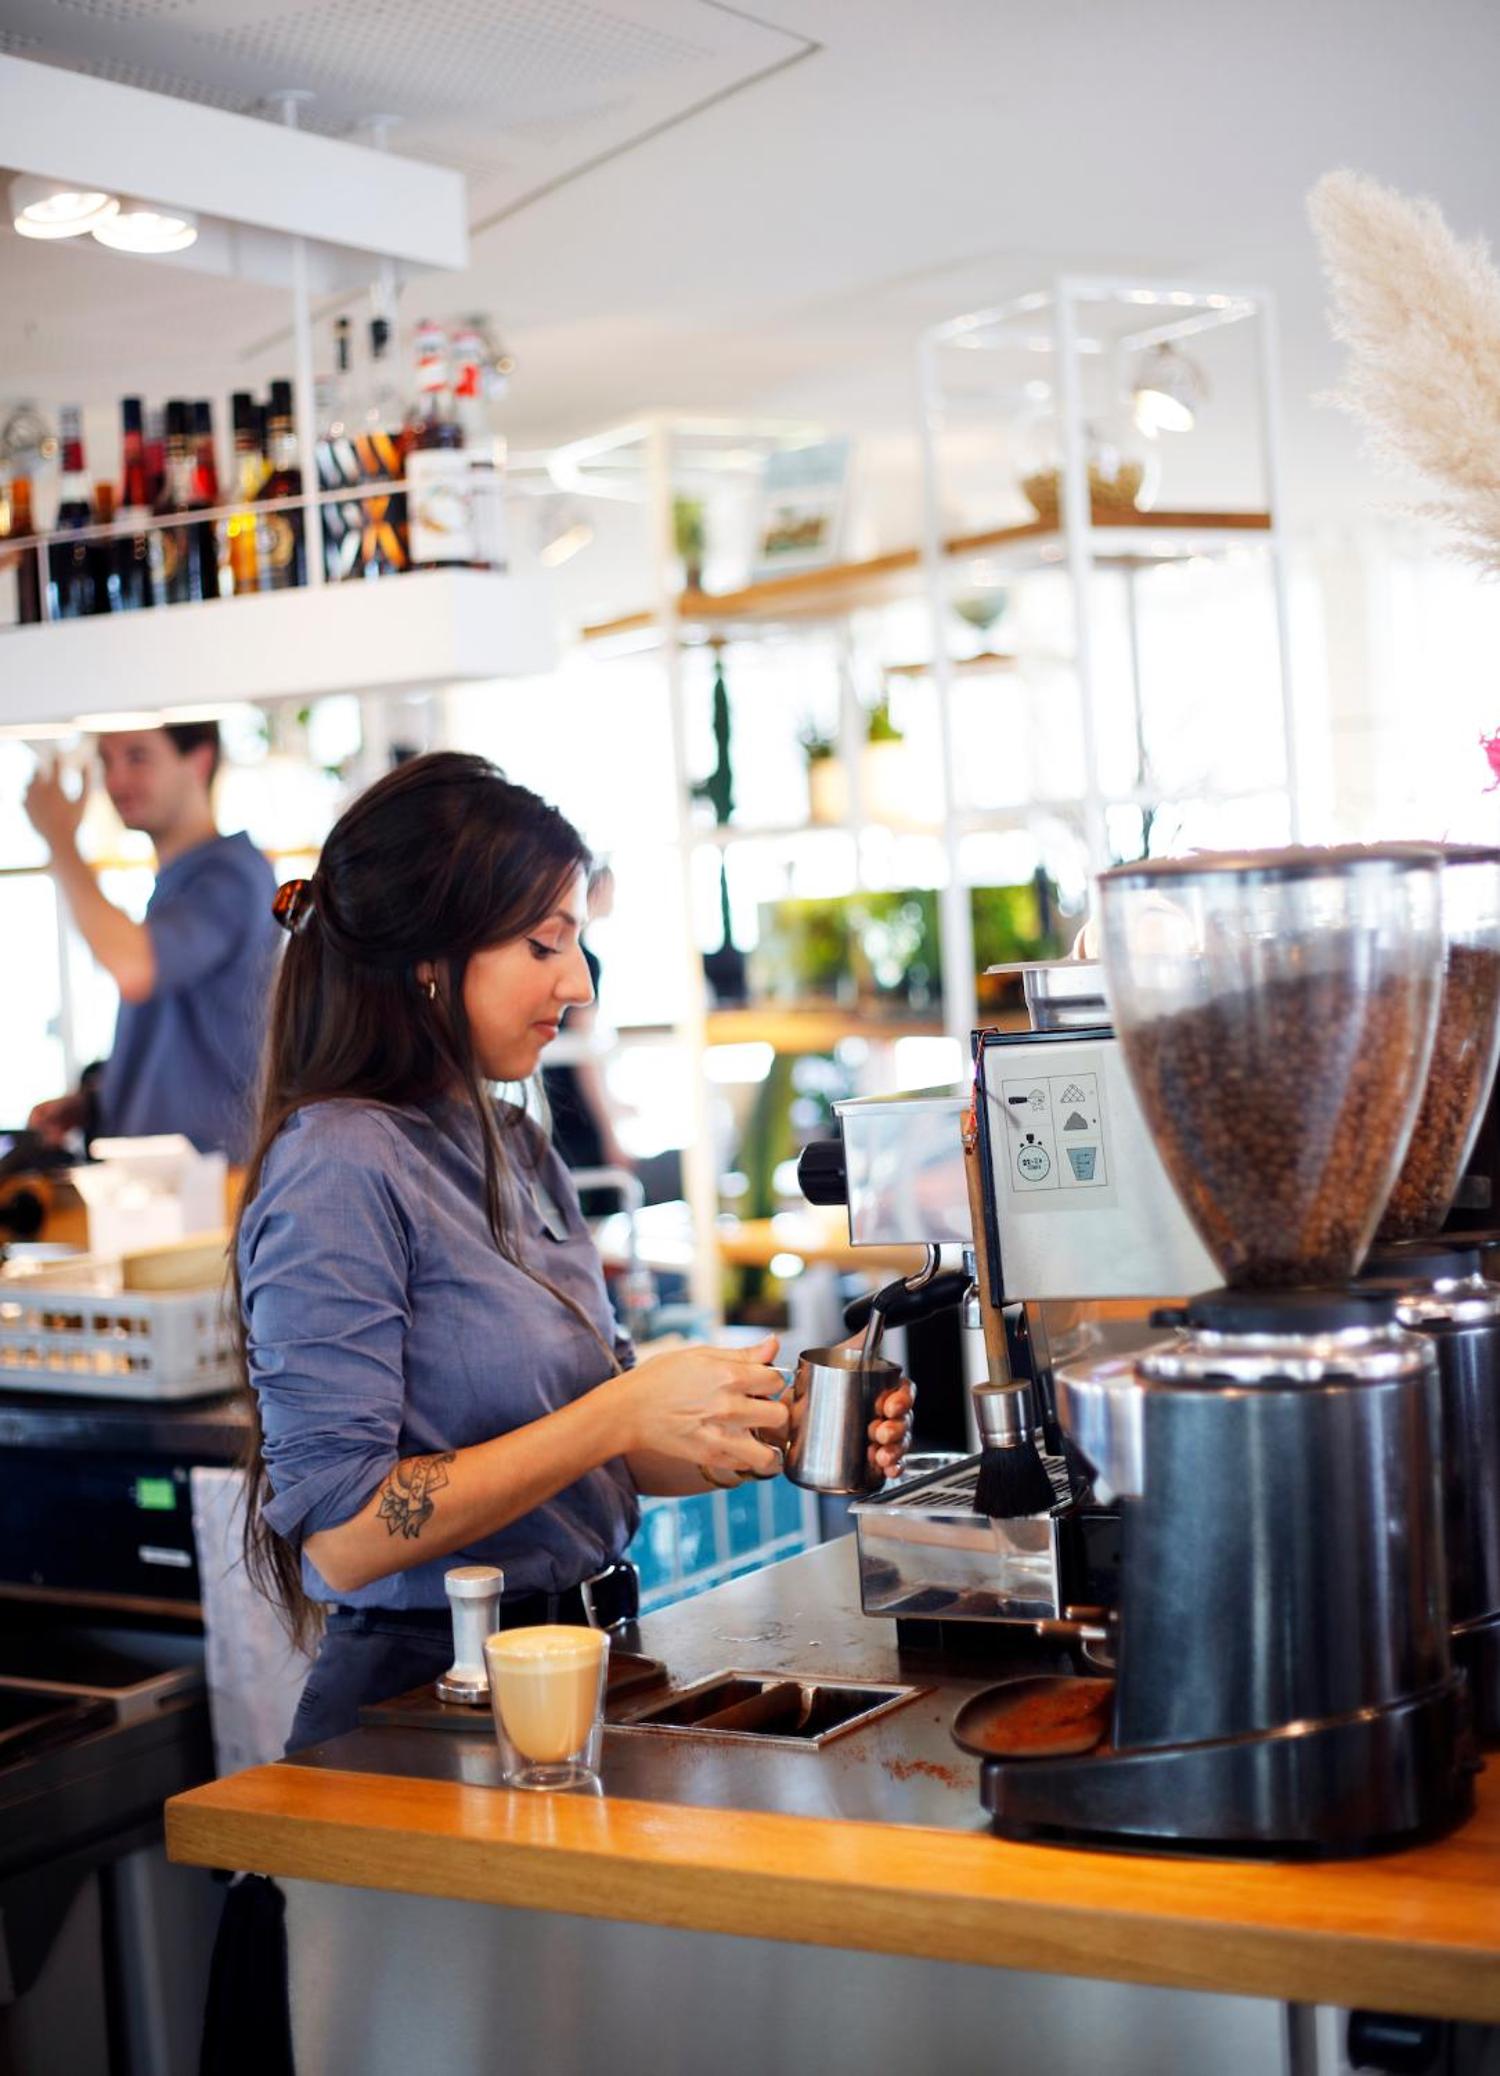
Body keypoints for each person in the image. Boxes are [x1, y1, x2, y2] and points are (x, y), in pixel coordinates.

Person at [234, 751, 912, 1750]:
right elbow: (345, 1534)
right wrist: (618, 1411)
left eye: (579, 942)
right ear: (427, 955)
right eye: (545, 943)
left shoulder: (514, 1143)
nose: (580, 981)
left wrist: (777, 1428)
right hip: (428, 1699)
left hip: (587, 1659)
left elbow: (605, 1457)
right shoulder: (338, 1163)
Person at [23, 722, 279, 1164]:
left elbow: (135, 969)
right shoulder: (179, 883)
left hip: (209, 1177)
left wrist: (60, 840)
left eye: (137, 757)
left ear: (199, 760)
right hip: (163, 1177)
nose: (116, 780)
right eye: (107, 761)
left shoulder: (231, 876)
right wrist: (96, 1102)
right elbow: (185, 1039)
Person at [540, 860, 635, 1216]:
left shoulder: (569, 957)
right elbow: (583, 1056)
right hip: (576, 1112)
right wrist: (609, 1134)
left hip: (557, 1102)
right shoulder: (585, 962)